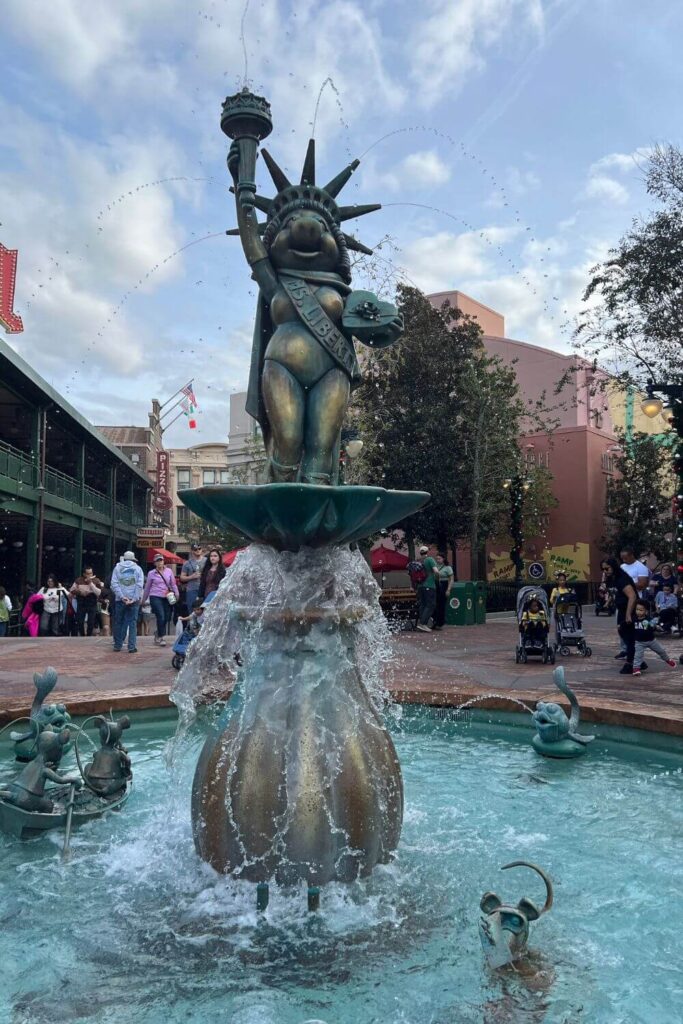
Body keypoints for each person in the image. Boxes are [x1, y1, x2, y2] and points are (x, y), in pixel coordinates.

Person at [602, 557, 638, 674]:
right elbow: (616, 592)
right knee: (623, 633)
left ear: (613, 567)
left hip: (629, 610)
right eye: (604, 569)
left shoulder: (622, 579)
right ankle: (638, 661)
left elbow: (632, 596)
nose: (605, 571)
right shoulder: (615, 579)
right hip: (621, 609)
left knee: (629, 636)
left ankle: (631, 662)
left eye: (607, 568)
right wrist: (608, 602)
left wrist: (628, 614)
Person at [632, 600, 677, 677]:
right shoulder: (634, 619)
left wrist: (655, 627)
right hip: (639, 642)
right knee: (638, 655)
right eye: (637, 609)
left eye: (641, 610)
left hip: (651, 640)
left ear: (646, 611)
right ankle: (636, 668)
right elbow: (627, 625)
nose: (638, 612)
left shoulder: (649, 619)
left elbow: (653, 627)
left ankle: (667, 660)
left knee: (661, 651)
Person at [143, 553, 180, 646]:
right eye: (158, 561)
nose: (160, 562)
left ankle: (158, 632)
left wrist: (177, 593)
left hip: (167, 596)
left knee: (167, 617)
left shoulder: (169, 571)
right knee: (161, 615)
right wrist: (144, 599)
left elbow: (173, 584)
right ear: (154, 563)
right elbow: (147, 587)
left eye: (161, 560)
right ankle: (162, 636)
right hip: (155, 595)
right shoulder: (151, 573)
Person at [110, 551, 144, 653]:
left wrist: (122, 597)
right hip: (134, 600)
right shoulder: (138, 569)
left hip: (120, 600)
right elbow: (139, 585)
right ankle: (131, 647)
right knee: (132, 623)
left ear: (124, 559)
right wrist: (134, 598)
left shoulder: (117, 568)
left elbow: (114, 584)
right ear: (133, 559)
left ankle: (117, 645)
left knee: (118, 622)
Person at [69, 567, 103, 637]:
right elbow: (72, 590)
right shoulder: (78, 580)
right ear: (84, 574)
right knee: (80, 621)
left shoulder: (96, 580)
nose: (90, 575)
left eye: (91, 573)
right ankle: (82, 635)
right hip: (81, 602)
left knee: (91, 621)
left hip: (92, 602)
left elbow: (99, 592)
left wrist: (90, 583)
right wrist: (80, 592)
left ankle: (88, 635)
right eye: (88, 573)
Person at [416, 545, 439, 633]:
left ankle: (421, 624)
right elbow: (436, 571)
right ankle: (423, 624)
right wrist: (437, 579)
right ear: (427, 552)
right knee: (430, 605)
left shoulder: (418, 561)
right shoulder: (430, 559)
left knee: (423, 604)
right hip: (429, 585)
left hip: (420, 586)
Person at [180, 544, 205, 614]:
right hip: (192, 590)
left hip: (204, 589)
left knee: (204, 611)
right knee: (192, 611)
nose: (198, 550)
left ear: (201, 549)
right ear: (192, 551)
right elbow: (182, 577)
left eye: (199, 548)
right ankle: (192, 625)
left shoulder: (207, 561)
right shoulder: (187, 563)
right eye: (195, 549)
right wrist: (192, 577)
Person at [432, 553, 454, 631]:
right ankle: (435, 621)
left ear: (443, 559)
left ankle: (440, 623)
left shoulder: (448, 568)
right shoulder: (435, 567)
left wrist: (448, 589)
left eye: (439, 558)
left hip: (444, 585)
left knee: (441, 605)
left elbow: (451, 579)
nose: (438, 560)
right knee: (434, 604)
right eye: (437, 559)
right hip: (436, 585)